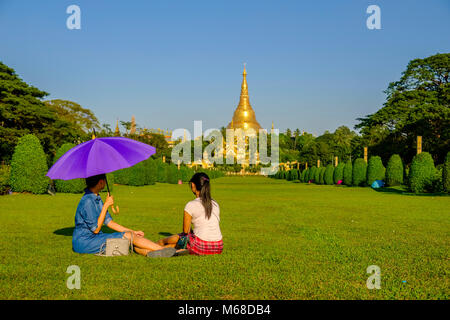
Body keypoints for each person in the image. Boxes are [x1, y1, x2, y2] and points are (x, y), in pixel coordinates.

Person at [72, 174, 175, 258]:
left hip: (94, 238)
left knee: (129, 239)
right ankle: (165, 250)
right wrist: (106, 205)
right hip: (85, 242)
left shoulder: (96, 198)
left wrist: (132, 231)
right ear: (101, 182)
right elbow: (96, 229)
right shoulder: (88, 201)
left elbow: (109, 222)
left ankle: (149, 253)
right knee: (128, 237)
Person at [158, 172, 223, 255]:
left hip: (200, 246)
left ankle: (159, 245)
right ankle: (167, 248)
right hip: (218, 247)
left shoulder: (191, 205)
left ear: (193, 185)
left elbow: (185, 231)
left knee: (182, 237)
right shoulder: (215, 204)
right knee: (182, 241)